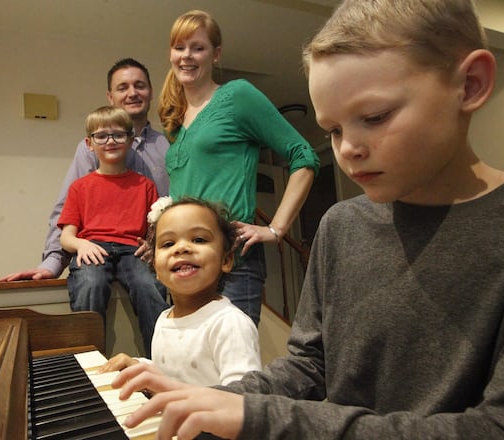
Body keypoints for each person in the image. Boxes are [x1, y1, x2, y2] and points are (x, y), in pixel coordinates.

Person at [110, 1, 504, 439]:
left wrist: (260, 416)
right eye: (333, 130)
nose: (347, 150)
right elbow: (307, 365)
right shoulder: (342, 225)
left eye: (375, 117)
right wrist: (209, 396)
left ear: (470, 84)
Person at [158, 10, 321, 326]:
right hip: (185, 265)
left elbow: (304, 156)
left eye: (198, 47)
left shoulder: (238, 96)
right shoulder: (174, 122)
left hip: (234, 261)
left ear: (216, 54)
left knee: (234, 369)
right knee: (191, 365)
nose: (186, 56)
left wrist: (276, 228)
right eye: (179, 47)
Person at [0, 58, 169, 282]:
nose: (132, 93)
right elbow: (67, 209)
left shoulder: (169, 146)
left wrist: (159, 246)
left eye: (139, 85)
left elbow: (175, 207)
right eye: (122, 87)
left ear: (150, 91)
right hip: (96, 264)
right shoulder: (88, 149)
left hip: (152, 266)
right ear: (110, 96)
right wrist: (52, 264)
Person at [99, 197, 261, 386]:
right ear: (156, 269)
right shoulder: (164, 319)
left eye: (199, 239)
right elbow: (171, 375)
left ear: (226, 261)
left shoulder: (230, 324)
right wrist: (138, 367)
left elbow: (241, 400)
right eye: (168, 244)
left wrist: (167, 392)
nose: (181, 248)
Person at [57, 105, 168, 357]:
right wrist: (81, 244)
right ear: (89, 143)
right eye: (101, 136)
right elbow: (66, 237)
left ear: (130, 140)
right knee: (90, 283)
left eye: (118, 135)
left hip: (133, 250)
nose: (110, 141)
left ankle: (161, 362)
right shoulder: (80, 187)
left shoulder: (145, 185)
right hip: (93, 247)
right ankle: (88, 362)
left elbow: (156, 231)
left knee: (147, 285)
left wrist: (152, 246)